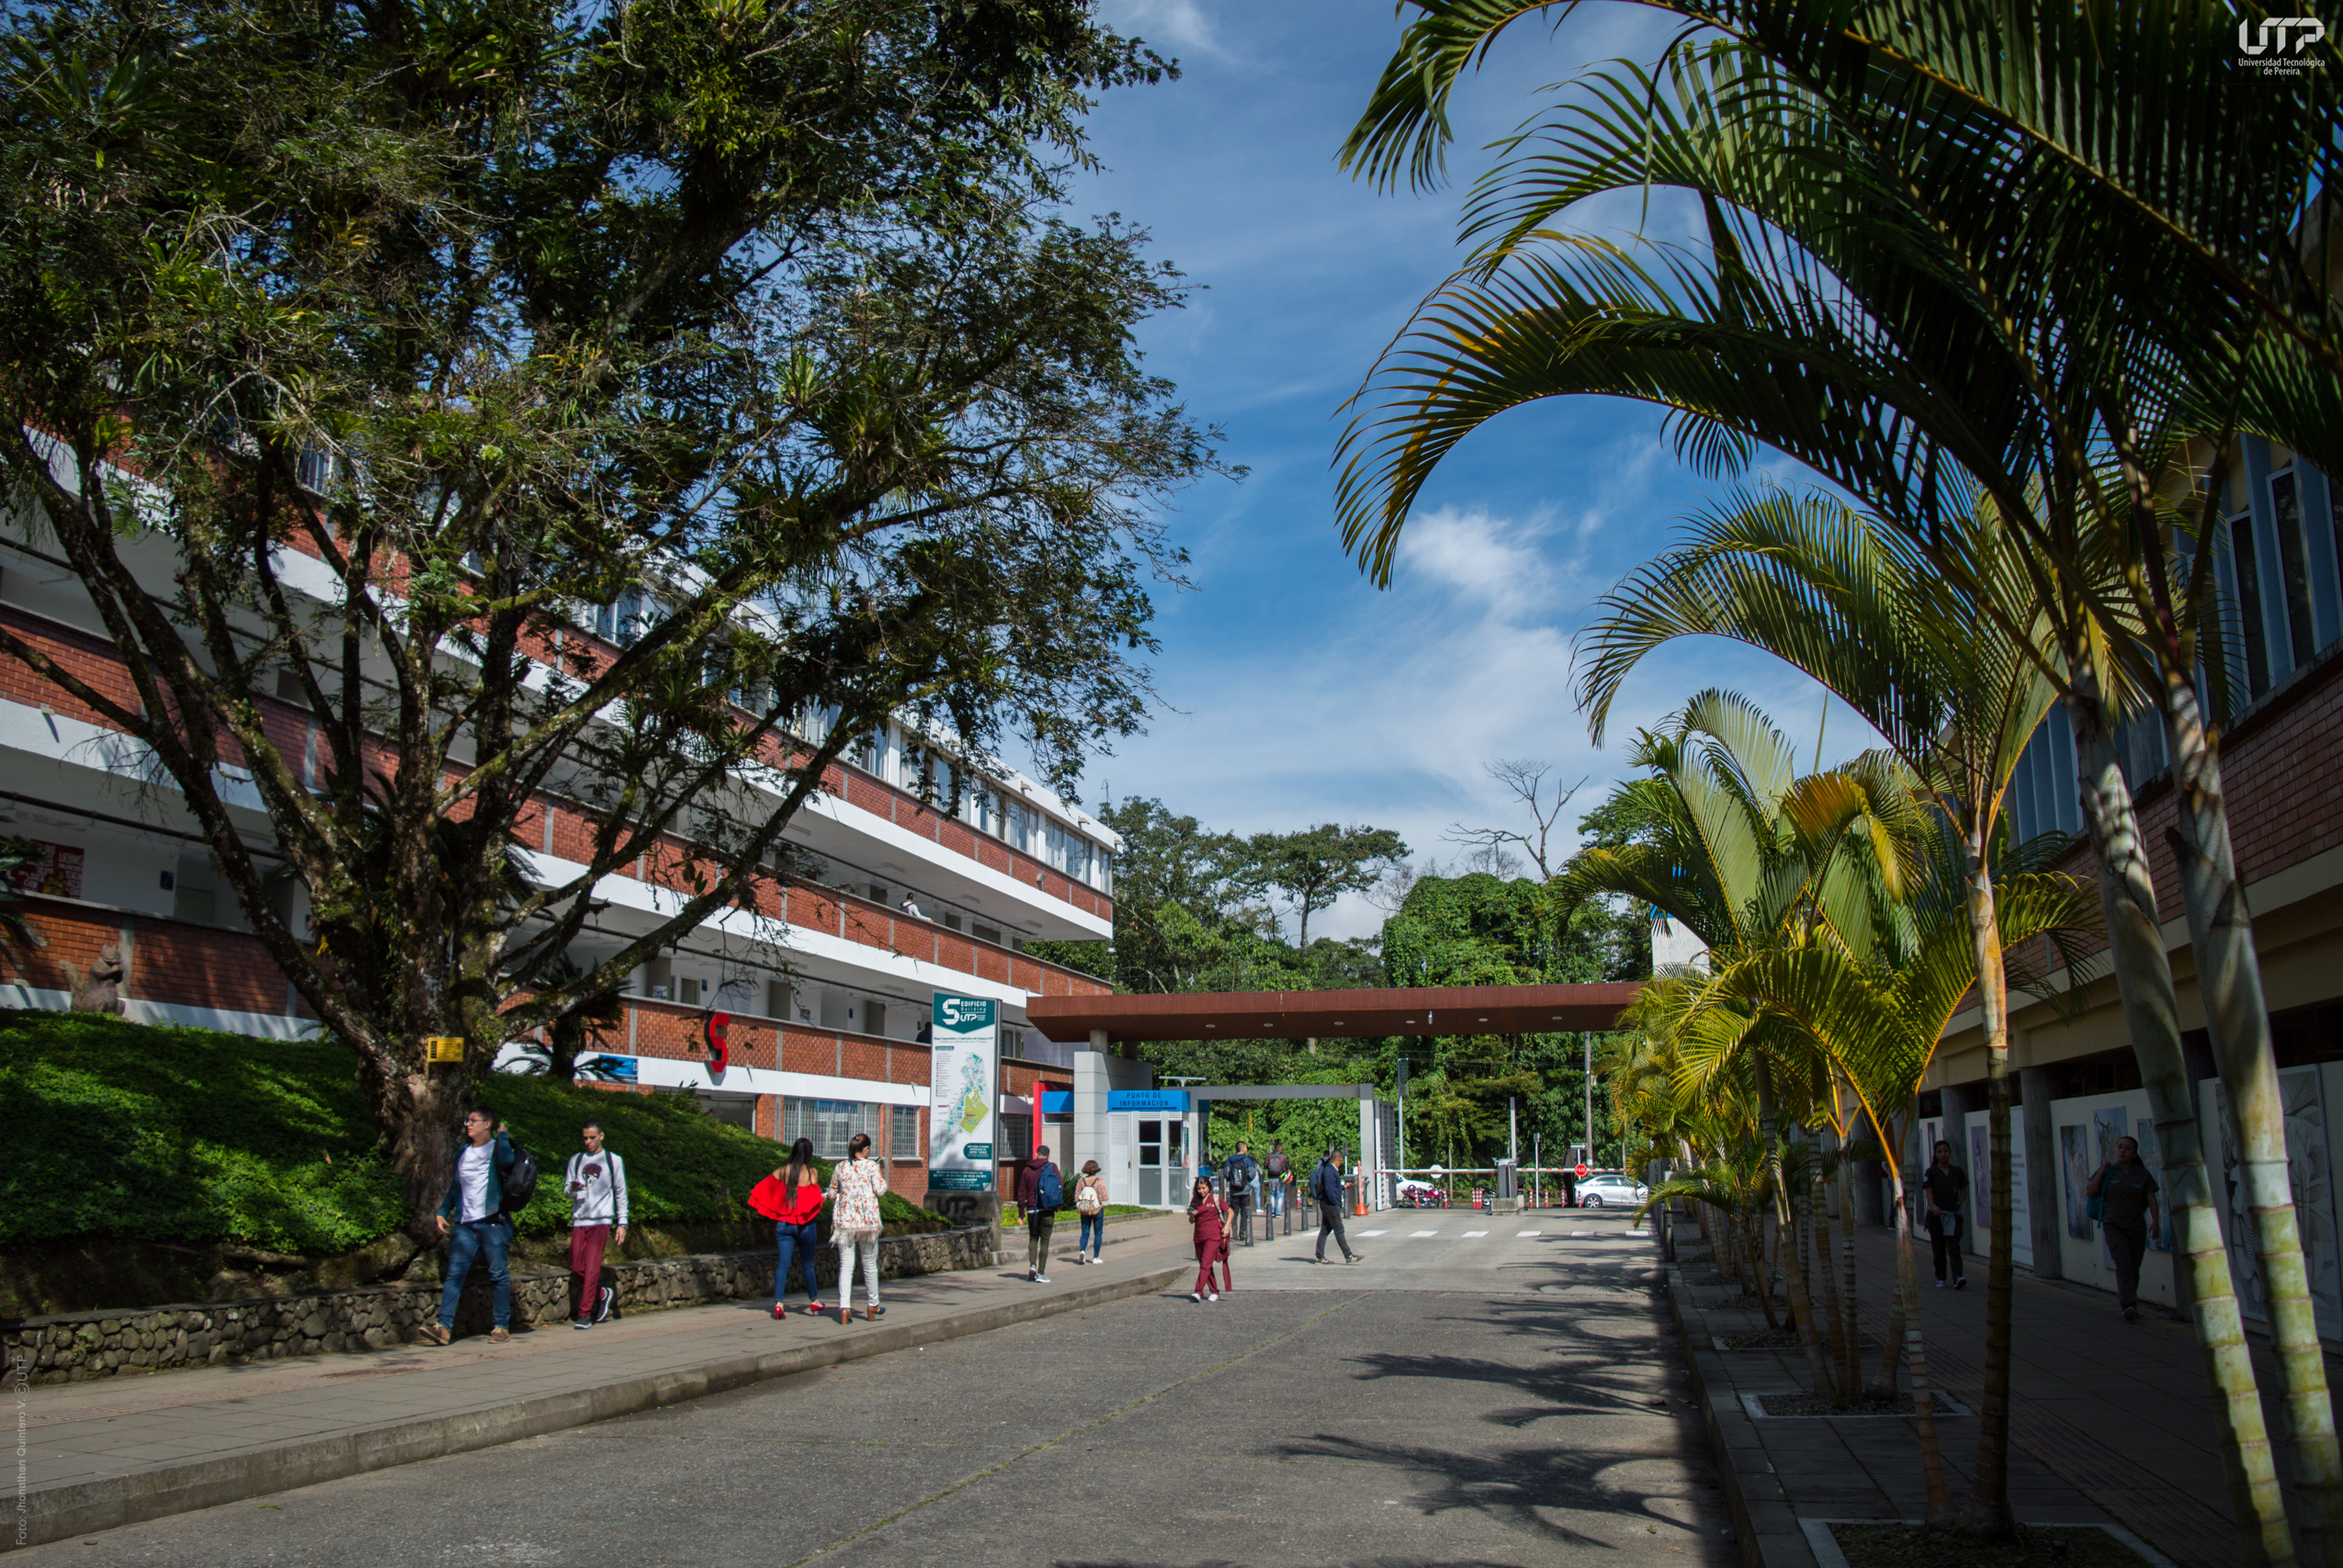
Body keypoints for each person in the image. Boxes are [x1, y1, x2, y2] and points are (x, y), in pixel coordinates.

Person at [424, 1108, 517, 1345]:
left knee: (497, 1274)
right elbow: (456, 1187)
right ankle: (443, 1327)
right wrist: (443, 1211)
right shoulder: (463, 1152)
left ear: (487, 1124)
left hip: (493, 1223)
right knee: (454, 1274)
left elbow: (508, 1161)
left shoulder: (497, 1148)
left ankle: (501, 1326)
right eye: (467, 1120)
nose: (468, 1124)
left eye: (473, 1121)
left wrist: (504, 1135)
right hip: (465, 1224)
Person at [2088, 1136, 2163, 1322]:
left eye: (2128, 1148)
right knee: (2123, 1265)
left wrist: (2156, 1222)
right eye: (2120, 1147)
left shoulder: (2142, 1175)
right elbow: (2090, 1191)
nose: (2122, 1151)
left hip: (2136, 1227)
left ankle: (2130, 1302)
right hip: (2113, 1225)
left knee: (2133, 1267)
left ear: (2134, 1154)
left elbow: (2152, 1199)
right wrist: (2102, 1171)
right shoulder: (2108, 1171)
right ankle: (2129, 1304)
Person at [563, 1121, 628, 1330]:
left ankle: (584, 1315)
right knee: (576, 1266)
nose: (588, 1142)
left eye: (592, 1137)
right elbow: (566, 1190)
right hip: (580, 1219)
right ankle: (602, 1293)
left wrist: (622, 1222)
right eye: (585, 1138)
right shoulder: (576, 1160)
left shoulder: (613, 1160)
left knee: (591, 1268)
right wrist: (573, 1189)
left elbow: (620, 1192)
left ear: (601, 1136)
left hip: (601, 1220)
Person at [829, 1131, 888, 1323]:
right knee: (869, 1264)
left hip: (845, 1224)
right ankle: (873, 1305)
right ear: (866, 1149)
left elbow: (831, 1193)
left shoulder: (840, 1167)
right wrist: (882, 1172)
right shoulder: (872, 1166)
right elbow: (880, 1191)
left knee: (846, 1266)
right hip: (867, 1224)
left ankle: (844, 1308)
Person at [768, 1138, 827, 1320]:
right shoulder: (812, 1173)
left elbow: (769, 1190)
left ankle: (778, 1304)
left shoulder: (781, 1172)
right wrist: (824, 1197)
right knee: (807, 1264)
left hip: (784, 1225)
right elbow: (814, 1201)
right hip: (805, 1226)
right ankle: (814, 1301)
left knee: (783, 1265)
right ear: (809, 1154)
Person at [1921, 1139, 1970, 1290]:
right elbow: (1928, 1191)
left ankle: (1958, 1276)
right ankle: (1941, 1277)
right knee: (1938, 1247)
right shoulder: (1931, 1172)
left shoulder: (1957, 1171)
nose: (1943, 1154)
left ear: (1950, 1152)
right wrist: (1933, 1206)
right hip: (1936, 1215)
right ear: (1936, 1154)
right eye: (1940, 1152)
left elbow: (1963, 1189)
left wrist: (1959, 1203)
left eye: (1946, 1151)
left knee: (1954, 1246)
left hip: (1952, 1214)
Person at [1016, 1143, 1064, 1283]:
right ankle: (1041, 1273)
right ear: (1048, 1156)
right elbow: (1060, 1185)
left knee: (1033, 1238)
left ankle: (1032, 1266)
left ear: (1036, 1154)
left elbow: (1021, 1193)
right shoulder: (1052, 1167)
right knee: (1045, 1241)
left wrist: (1021, 1213)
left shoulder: (1027, 1169)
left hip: (1032, 1210)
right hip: (1047, 1209)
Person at [1312, 1145, 1361, 1265]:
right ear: (1339, 1160)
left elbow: (1332, 1186)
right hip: (1330, 1205)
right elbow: (1329, 1189)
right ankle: (1348, 1255)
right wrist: (1335, 1203)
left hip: (1327, 1204)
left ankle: (1319, 1255)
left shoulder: (1330, 1170)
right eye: (1341, 1162)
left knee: (1325, 1230)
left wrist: (1343, 1187)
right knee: (1339, 1230)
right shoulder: (1330, 1170)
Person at [1186, 1175, 1231, 1302]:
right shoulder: (1194, 1201)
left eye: (1204, 1188)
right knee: (1205, 1265)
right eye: (1199, 1188)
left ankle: (1198, 1291)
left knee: (1205, 1264)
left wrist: (1227, 1226)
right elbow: (1191, 1221)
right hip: (1198, 1237)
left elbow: (1230, 1212)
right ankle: (1215, 1291)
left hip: (1213, 1237)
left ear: (1209, 1187)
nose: (1202, 1191)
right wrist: (1192, 1215)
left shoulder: (1215, 1199)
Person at [1072, 1160, 1109, 1264]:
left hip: (1084, 1210)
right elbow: (1105, 1197)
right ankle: (1096, 1257)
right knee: (1098, 1233)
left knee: (1085, 1233)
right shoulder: (1099, 1181)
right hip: (1097, 1210)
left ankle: (1082, 1252)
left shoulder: (1081, 1181)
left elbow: (1076, 1197)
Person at [1224, 1141, 1259, 1247]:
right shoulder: (1247, 1160)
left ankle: (1233, 1226)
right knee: (1245, 1212)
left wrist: (1233, 1180)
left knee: (1234, 1211)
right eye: (1246, 1147)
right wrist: (1245, 1180)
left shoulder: (1230, 1160)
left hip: (1234, 1191)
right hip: (1245, 1190)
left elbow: (1226, 1174)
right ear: (1243, 1149)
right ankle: (1242, 1232)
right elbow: (1251, 1174)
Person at [1263, 1142, 1291, 1232]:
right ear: (1280, 1148)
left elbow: (1265, 1165)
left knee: (1272, 1194)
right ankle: (1278, 1212)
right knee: (1280, 1194)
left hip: (1271, 1177)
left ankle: (1271, 1211)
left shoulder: (1269, 1155)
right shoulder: (1283, 1156)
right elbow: (1288, 1166)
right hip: (1280, 1177)